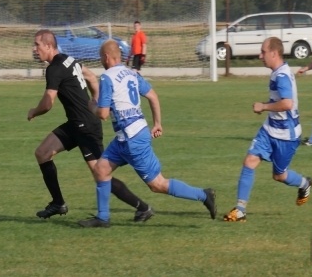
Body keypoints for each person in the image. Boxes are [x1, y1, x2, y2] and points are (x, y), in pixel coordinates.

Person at [78, 40, 216, 228]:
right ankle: (102, 218)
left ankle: (204, 194)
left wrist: (92, 106)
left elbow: (102, 114)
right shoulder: (131, 73)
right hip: (126, 137)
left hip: (133, 139)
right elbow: (152, 96)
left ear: (106, 57)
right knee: (101, 170)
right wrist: (157, 123)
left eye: (101, 58)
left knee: (157, 184)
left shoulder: (107, 77)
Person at [27, 29, 153, 222]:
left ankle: (142, 208)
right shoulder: (69, 60)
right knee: (42, 153)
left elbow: (48, 103)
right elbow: (91, 77)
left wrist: (34, 111)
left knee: (100, 174)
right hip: (76, 123)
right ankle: (58, 203)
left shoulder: (54, 68)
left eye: (37, 45)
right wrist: (94, 102)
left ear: (49, 46)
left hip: (86, 127)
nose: (35, 49)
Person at [223, 37, 312, 222]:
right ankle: (240, 210)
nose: (260, 55)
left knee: (279, 176)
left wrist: (263, 106)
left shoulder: (281, 76)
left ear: (274, 53)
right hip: (269, 128)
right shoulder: (279, 72)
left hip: (286, 135)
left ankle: (305, 183)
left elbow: (288, 104)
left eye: (263, 52)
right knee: (249, 161)